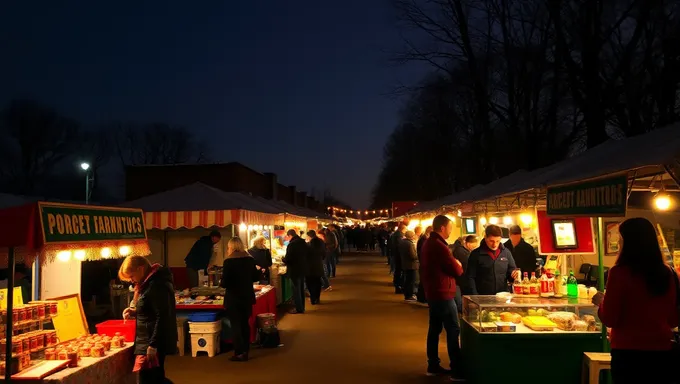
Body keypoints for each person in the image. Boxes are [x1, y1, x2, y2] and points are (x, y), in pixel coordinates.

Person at [591, 218, 679, 383]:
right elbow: (673, 318)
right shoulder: (668, 273)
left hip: (628, 352)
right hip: (662, 352)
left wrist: (601, 302)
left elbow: (610, 318)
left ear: (627, 242)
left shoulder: (619, 273)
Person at [420, 215, 465, 381]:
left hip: (433, 292)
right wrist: (458, 264)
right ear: (443, 228)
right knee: (453, 329)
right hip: (443, 293)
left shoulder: (429, 243)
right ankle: (457, 369)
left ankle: (433, 365)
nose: (451, 231)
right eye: (450, 227)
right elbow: (457, 270)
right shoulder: (440, 246)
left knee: (434, 329)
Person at [120, 256, 177, 383]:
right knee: (154, 377)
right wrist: (135, 312)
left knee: (149, 378)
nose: (131, 281)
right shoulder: (148, 283)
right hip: (146, 339)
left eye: (132, 276)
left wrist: (153, 344)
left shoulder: (157, 284)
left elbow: (162, 316)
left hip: (151, 341)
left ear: (140, 269)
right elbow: (151, 310)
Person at [220, 237, 261, 361]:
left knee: (236, 325)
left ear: (231, 247)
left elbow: (225, 283)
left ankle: (239, 352)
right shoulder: (249, 259)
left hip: (233, 298)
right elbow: (255, 277)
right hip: (247, 297)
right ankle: (246, 350)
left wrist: (222, 281)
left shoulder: (228, 262)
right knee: (245, 324)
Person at [466, 225, 519, 295]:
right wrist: (475, 296)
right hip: (483, 296)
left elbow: (512, 271)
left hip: (502, 295)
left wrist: (515, 274)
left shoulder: (506, 253)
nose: (495, 244)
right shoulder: (476, 254)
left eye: (498, 241)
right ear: (485, 238)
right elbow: (470, 277)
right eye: (491, 241)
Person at [283, 229, 309, 314]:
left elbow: (289, 258)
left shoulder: (292, 244)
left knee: (296, 290)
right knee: (301, 289)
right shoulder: (303, 242)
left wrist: (283, 259)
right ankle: (302, 307)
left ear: (290, 235)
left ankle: (298, 308)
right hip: (303, 268)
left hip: (294, 270)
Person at [453, 235, 478, 310]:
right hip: (460, 280)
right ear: (468, 244)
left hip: (461, 280)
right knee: (461, 302)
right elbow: (467, 267)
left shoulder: (462, 251)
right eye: (474, 246)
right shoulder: (463, 253)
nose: (474, 248)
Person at [306, 230, 325, 305]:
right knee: (317, 282)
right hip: (319, 265)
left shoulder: (310, 244)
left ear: (309, 236)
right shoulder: (321, 241)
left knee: (310, 283)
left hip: (311, 267)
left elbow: (307, 255)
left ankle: (313, 298)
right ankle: (317, 298)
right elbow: (324, 253)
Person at [400, 230, 419, 301]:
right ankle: (409, 295)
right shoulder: (410, 244)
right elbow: (413, 256)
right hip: (411, 265)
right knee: (411, 281)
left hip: (405, 264)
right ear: (411, 236)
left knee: (407, 280)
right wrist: (418, 256)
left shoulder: (403, 242)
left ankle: (407, 295)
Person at [389, 223, 406, 294]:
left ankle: (397, 284)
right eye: (405, 229)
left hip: (395, 254)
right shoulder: (399, 235)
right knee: (399, 271)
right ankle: (398, 286)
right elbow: (400, 245)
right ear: (402, 228)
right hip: (398, 255)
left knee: (397, 270)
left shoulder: (395, 234)